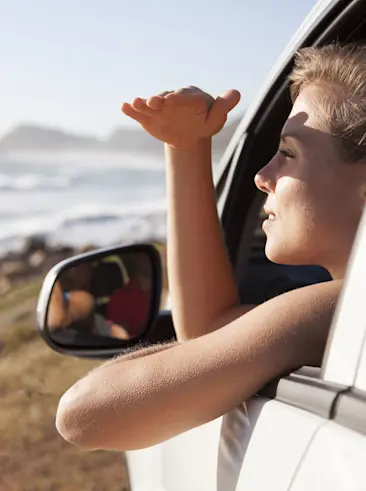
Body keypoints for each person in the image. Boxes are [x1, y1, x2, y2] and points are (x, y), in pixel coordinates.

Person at [55, 43, 366, 451]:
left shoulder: (334, 310)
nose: (262, 175)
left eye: (288, 153)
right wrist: (186, 148)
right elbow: (212, 329)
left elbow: (83, 414)